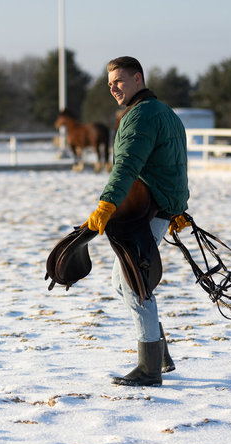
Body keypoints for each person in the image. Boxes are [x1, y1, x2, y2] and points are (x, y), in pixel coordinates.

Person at [82, 56, 191, 387]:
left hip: (147, 210)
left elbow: (126, 166)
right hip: (159, 207)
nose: (113, 88)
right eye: (109, 83)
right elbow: (175, 164)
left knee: (132, 284)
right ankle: (160, 353)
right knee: (123, 283)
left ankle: (149, 368)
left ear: (138, 78)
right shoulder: (166, 113)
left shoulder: (141, 116)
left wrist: (106, 205)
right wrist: (178, 207)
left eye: (119, 81)